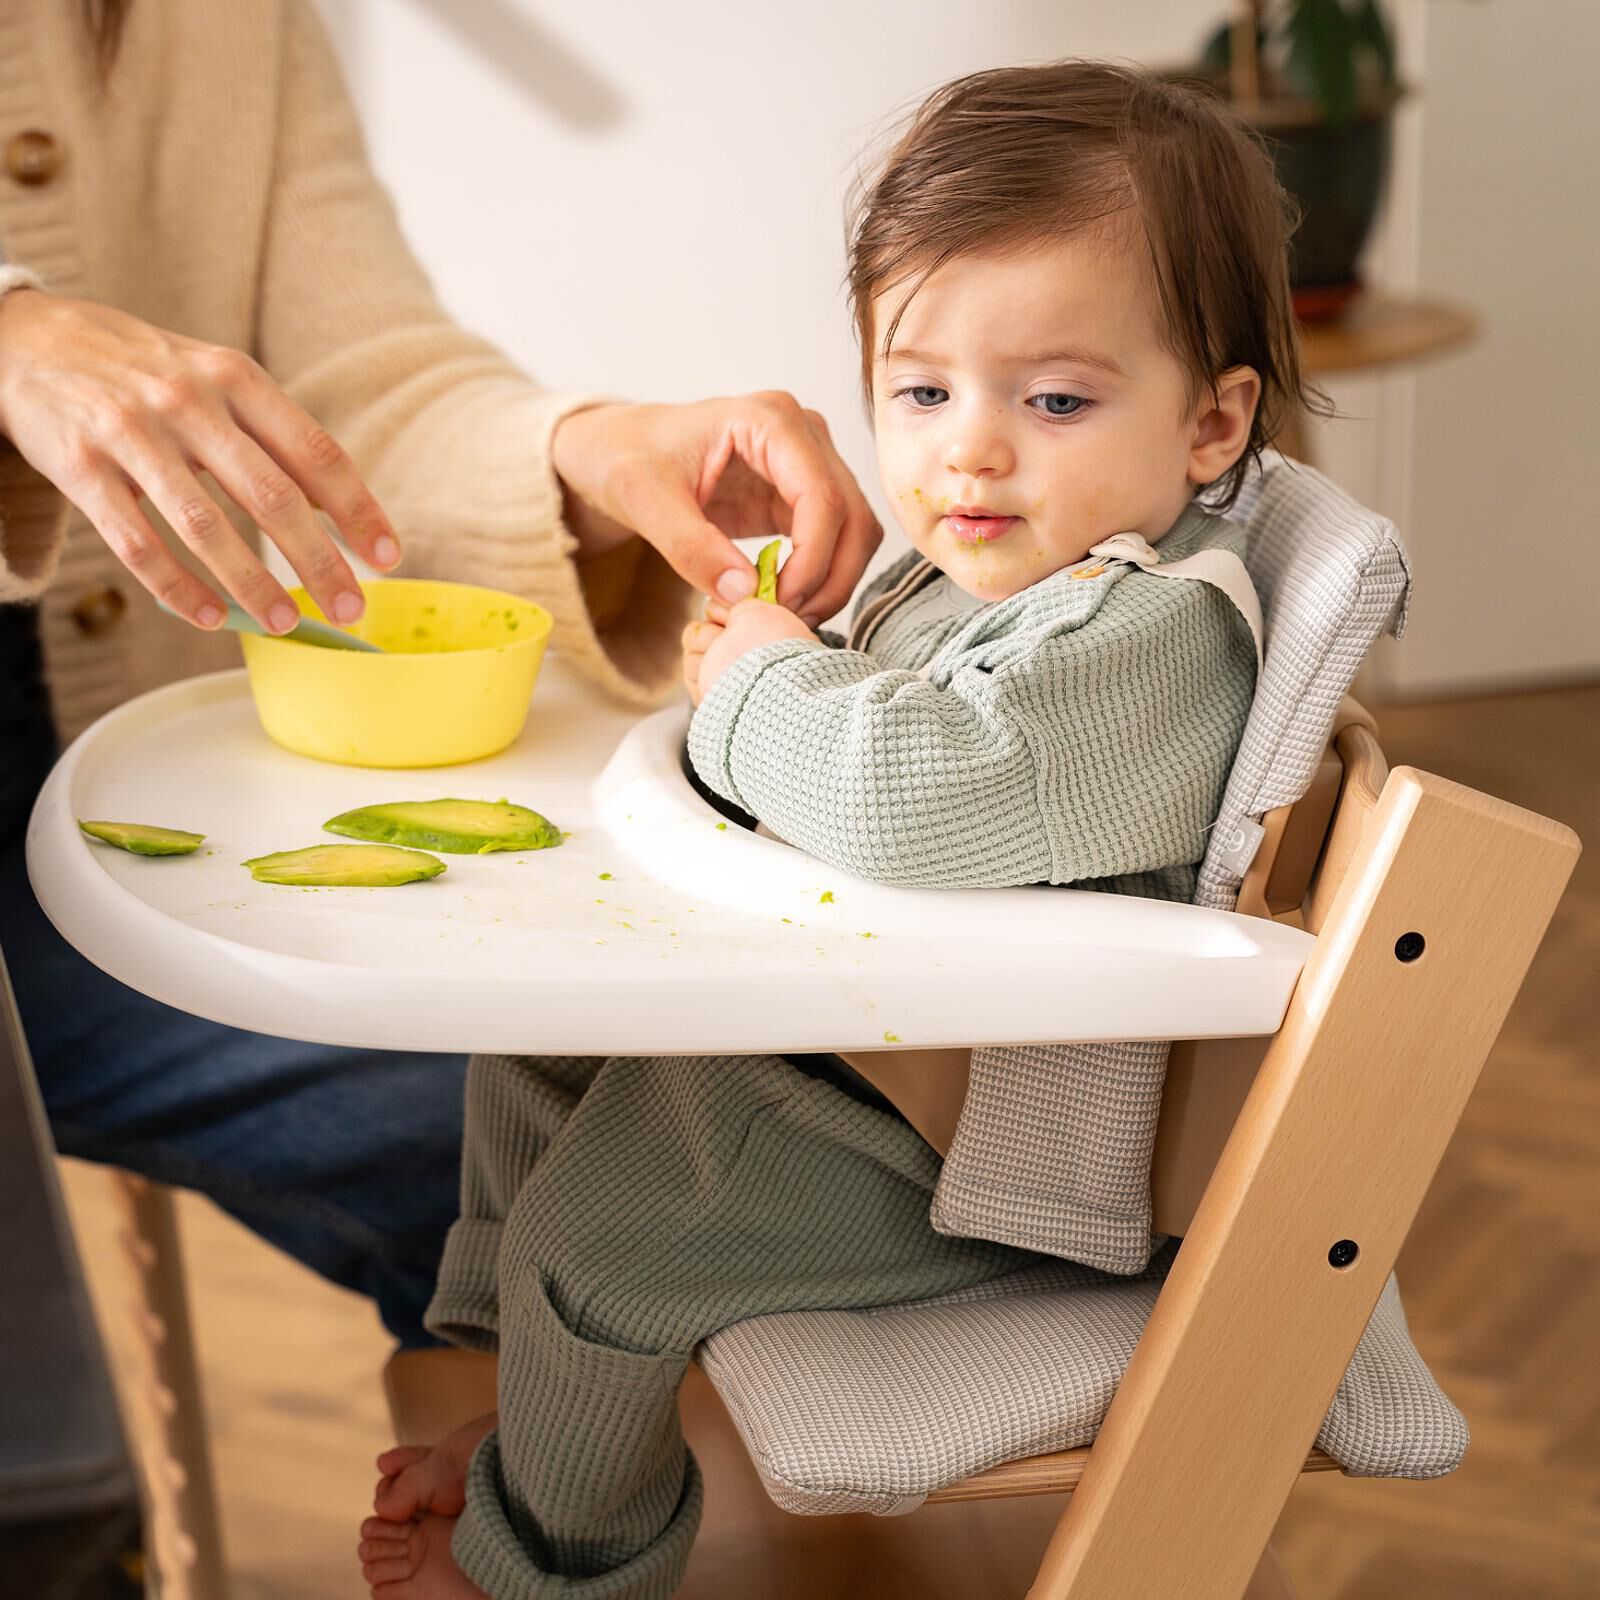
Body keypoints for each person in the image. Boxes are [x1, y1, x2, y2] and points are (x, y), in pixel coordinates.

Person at [357, 59, 1311, 1600]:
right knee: (532, 1045)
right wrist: (762, 682)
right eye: (923, 393)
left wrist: (763, 685)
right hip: (876, 1047)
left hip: (990, 1137)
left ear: (1211, 424)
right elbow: (843, 758)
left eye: (1055, 400)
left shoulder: (1154, 636)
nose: (970, 451)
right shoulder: (994, 575)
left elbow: (914, 793)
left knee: (596, 1246)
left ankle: (549, 1563)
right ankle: (531, 1423)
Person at [0, 0, 877, 1349]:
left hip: (111, 784)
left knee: (596, 1122)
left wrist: (587, 456)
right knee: (548, 1156)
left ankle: (508, 1465)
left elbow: (358, 397)